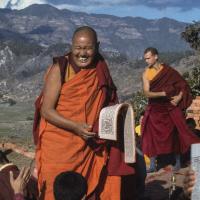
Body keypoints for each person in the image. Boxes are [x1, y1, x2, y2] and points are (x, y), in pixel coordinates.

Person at [34, 26, 135, 200]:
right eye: (78, 48)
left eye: (88, 48)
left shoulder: (100, 68)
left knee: (85, 187)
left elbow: (107, 99)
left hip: (88, 142)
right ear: (71, 46)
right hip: (60, 143)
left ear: (97, 46)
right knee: (55, 187)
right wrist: (75, 127)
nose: (83, 53)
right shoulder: (60, 68)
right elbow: (46, 110)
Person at [141, 47, 200, 172]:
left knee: (176, 133)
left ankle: (177, 162)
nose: (146, 61)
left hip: (169, 107)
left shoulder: (169, 71)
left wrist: (178, 98)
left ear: (156, 56)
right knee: (151, 135)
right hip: (155, 109)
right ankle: (152, 165)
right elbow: (147, 93)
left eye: (148, 58)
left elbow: (182, 85)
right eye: (145, 58)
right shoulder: (146, 73)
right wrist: (164, 93)